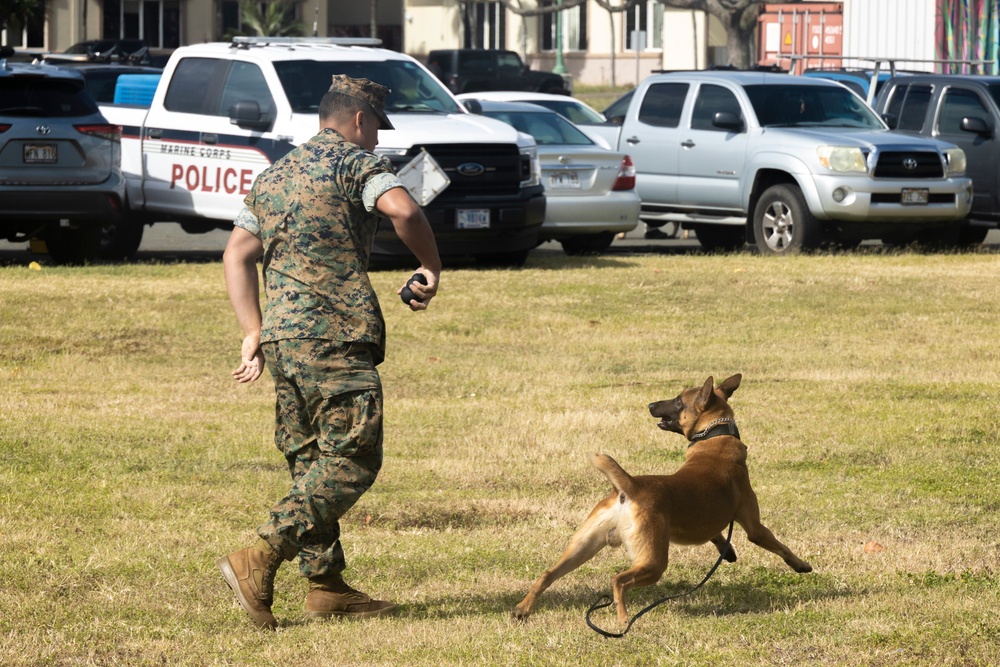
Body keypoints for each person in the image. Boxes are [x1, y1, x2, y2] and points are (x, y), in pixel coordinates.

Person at [217, 74, 442, 630]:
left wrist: (254, 330)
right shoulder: (355, 164)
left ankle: (326, 588)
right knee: (353, 457)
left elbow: (236, 255)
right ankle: (261, 554)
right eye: (374, 130)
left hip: (286, 340)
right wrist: (430, 266)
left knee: (311, 463)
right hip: (336, 334)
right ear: (360, 120)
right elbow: (405, 211)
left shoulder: (274, 175)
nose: (375, 142)